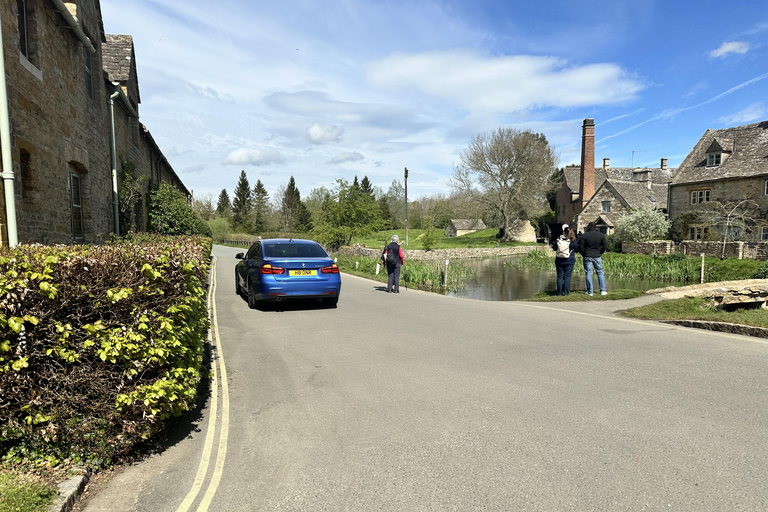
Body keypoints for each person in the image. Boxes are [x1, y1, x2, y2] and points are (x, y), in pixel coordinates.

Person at [577, 221, 607, 296]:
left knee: (588, 273)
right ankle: (603, 290)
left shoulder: (584, 236)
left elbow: (581, 247)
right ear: (595, 227)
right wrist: (600, 252)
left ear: (589, 227)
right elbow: (605, 246)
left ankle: (590, 291)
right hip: (597, 255)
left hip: (587, 255)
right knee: (600, 272)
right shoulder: (601, 235)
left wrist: (584, 254)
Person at [553, 224, 578, 296]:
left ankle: (559, 293)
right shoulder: (572, 240)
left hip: (559, 260)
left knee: (559, 276)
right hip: (569, 260)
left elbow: (554, 248)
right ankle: (566, 293)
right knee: (567, 277)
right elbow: (576, 249)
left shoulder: (558, 239)